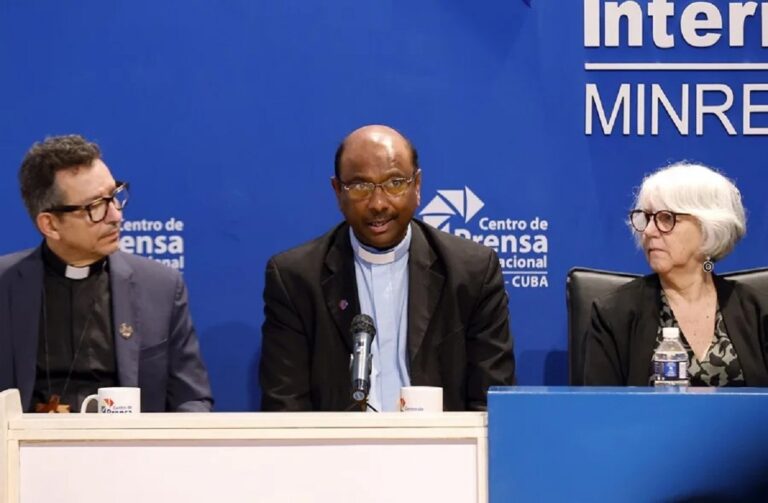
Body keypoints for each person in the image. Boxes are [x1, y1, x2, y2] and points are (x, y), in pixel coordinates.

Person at [259, 124, 515, 412]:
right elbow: (286, 409)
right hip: (336, 453)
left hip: (440, 451)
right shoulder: (296, 279)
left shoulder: (471, 272)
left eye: (395, 183)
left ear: (417, 186)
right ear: (337, 192)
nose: (378, 204)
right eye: (360, 187)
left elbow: (491, 405)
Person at [0, 135, 213, 412]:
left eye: (114, 196)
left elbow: (191, 399)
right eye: (95, 207)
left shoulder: (160, 287)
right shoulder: (5, 286)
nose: (115, 216)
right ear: (50, 225)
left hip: (131, 452)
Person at [584, 162, 768, 386]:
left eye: (666, 218)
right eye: (647, 218)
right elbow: (601, 411)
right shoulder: (614, 313)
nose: (649, 232)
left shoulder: (758, 311)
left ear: (708, 227)